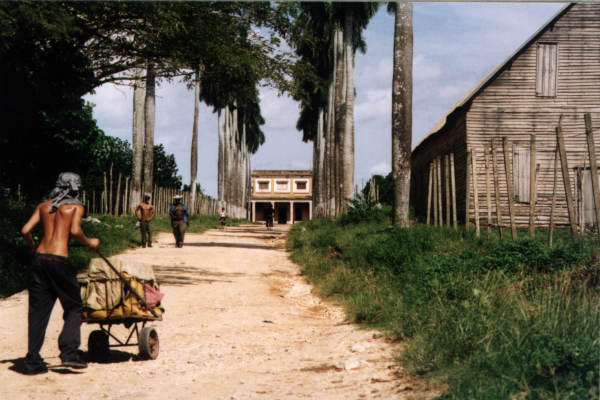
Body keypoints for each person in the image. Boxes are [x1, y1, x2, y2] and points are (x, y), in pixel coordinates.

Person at [20, 172, 100, 374]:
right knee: (74, 306)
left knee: (38, 311)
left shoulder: (43, 206)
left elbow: (25, 230)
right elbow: (74, 231)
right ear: (75, 187)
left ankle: (32, 361)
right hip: (59, 261)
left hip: (39, 260)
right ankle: (69, 353)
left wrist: (32, 247)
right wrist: (90, 242)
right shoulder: (76, 206)